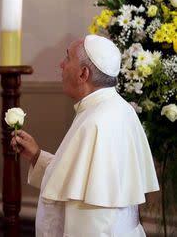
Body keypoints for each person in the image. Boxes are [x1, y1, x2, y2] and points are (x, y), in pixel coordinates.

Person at [12, 35, 159, 236]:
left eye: (67, 58)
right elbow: (80, 180)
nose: (61, 64)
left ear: (83, 73)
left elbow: (92, 219)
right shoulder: (120, 109)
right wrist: (37, 155)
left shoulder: (95, 122)